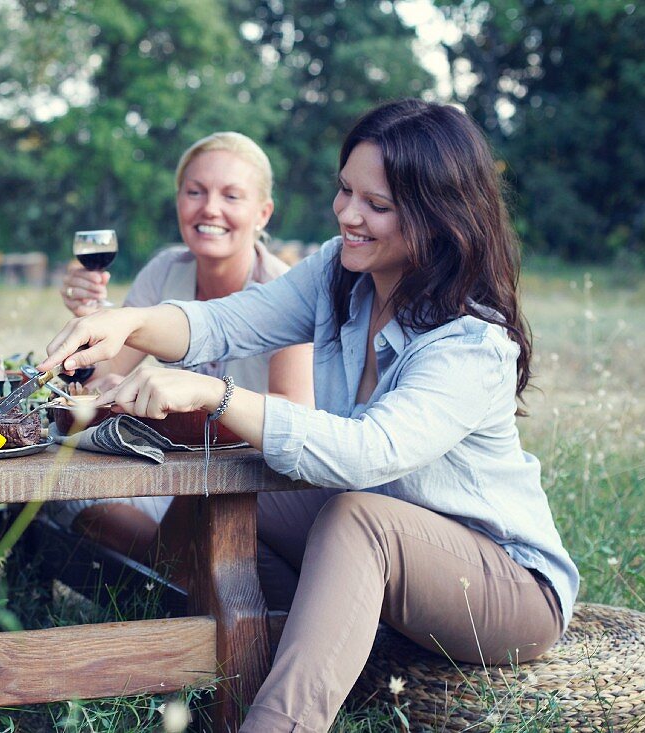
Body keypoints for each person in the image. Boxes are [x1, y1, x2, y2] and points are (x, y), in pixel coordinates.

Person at [40, 99, 578, 732]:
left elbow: (364, 454)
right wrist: (126, 321)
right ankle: (209, 667)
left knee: (357, 518)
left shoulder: (472, 344)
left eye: (377, 206)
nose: (349, 215)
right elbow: (229, 320)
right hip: (387, 541)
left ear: (438, 217)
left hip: (505, 587)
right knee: (236, 483)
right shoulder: (338, 273)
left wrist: (217, 396)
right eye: (345, 191)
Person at [52, 131, 314, 570]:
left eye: (231, 195)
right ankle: (176, 558)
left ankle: (172, 563)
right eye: (195, 192)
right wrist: (91, 322)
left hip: (249, 476)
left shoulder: (284, 291)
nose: (209, 208)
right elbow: (98, 381)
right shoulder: (165, 271)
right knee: (58, 495)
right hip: (175, 464)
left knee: (90, 507)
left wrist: (199, 393)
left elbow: (294, 409)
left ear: (262, 212)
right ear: (179, 202)